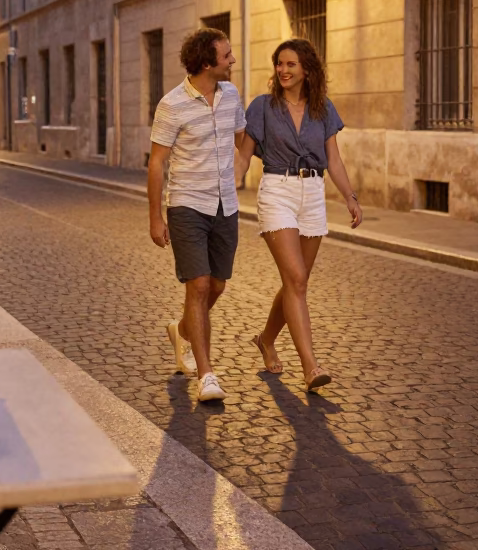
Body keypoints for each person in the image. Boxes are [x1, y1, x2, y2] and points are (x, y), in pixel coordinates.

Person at [235, 38, 361, 393]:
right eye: (279, 64)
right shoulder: (262, 106)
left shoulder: (322, 109)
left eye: (291, 64)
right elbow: (244, 155)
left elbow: (333, 160)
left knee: (297, 281)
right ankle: (310, 367)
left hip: (313, 194)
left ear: (307, 69)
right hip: (277, 189)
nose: (284, 70)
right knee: (295, 278)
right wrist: (228, 187)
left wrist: (350, 198)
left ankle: (266, 339)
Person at [148, 27, 245, 403]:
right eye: (227, 55)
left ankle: (182, 329)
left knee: (217, 286)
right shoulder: (172, 104)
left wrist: (249, 168)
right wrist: (156, 217)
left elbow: (243, 140)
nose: (232, 61)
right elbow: (157, 163)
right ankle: (206, 375)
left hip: (226, 205)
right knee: (199, 285)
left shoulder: (231, 95)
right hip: (187, 203)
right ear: (207, 63)